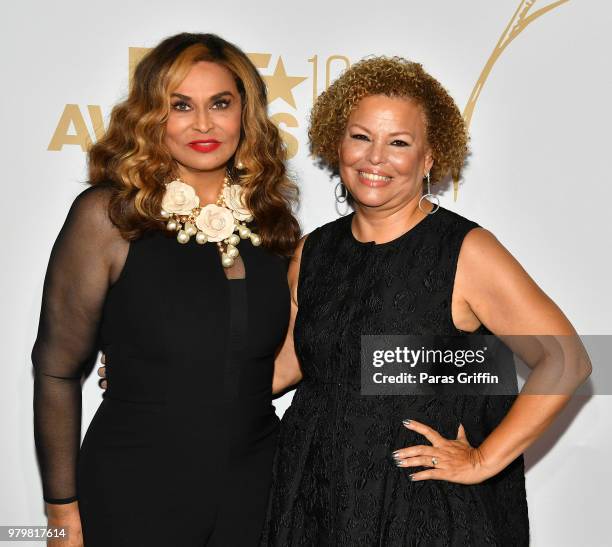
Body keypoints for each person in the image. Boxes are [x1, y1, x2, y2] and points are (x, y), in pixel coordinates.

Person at [259, 57, 592, 546]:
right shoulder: (315, 249)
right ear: (337, 142)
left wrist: (483, 459)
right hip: (314, 492)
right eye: (360, 137)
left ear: (430, 157)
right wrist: (163, 378)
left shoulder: (465, 251)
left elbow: (566, 360)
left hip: (416, 507)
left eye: (398, 143)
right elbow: (288, 365)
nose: (375, 158)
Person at [31, 32, 300, 546]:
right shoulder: (109, 217)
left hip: (256, 487)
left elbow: (289, 350)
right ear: (152, 117)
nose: (203, 123)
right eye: (181, 106)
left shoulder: (273, 224)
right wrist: (61, 512)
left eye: (220, 103)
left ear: (245, 113)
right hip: (136, 485)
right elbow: (57, 369)